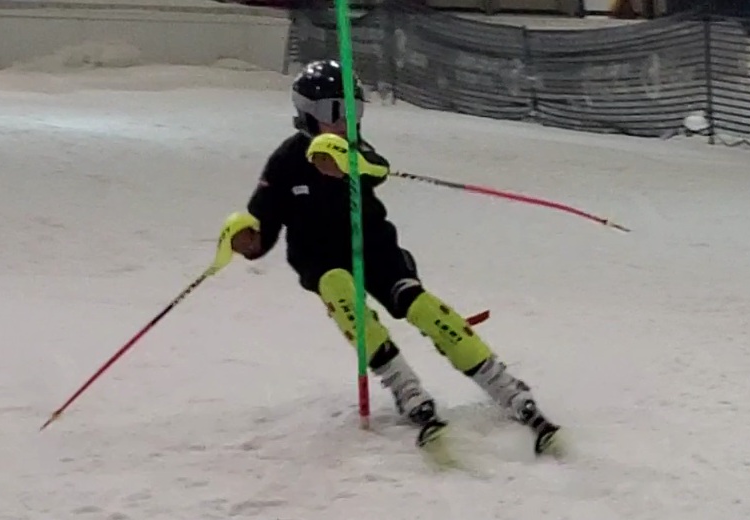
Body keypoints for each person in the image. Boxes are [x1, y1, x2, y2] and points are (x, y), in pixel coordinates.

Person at [219, 59, 559, 455]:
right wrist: (248, 240)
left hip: (375, 250)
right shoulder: (285, 163)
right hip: (321, 260)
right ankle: (405, 388)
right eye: (334, 111)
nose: (345, 122)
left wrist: (347, 164)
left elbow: (376, 168)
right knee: (341, 292)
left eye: (354, 111)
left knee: (424, 309)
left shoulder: (351, 149)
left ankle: (504, 385)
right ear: (307, 114)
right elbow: (262, 225)